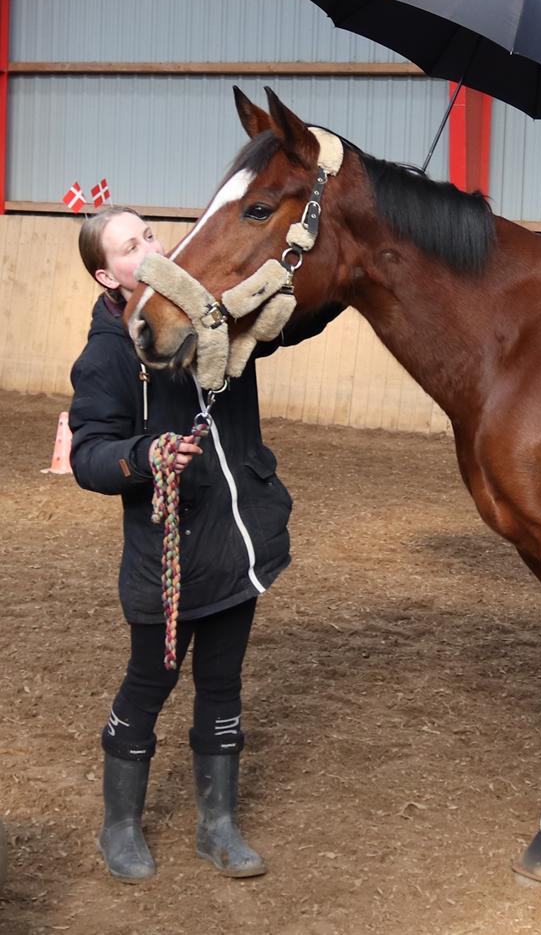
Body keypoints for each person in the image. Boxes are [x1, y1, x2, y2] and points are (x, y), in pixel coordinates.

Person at [69, 205, 340, 881]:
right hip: (167, 551)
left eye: (151, 234)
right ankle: (119, 825)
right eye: (131, 246)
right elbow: (88, 455)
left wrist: (327, 274)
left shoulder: (208, 310)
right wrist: (145, 453)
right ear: (107, 273)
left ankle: (217, 826)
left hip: (236, 540)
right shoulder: (108, 351)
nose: (151, 247)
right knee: (149, 683)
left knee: (223, 684)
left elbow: (286, 323)